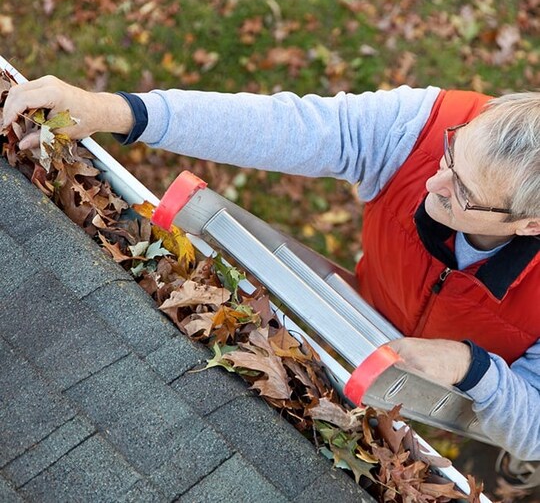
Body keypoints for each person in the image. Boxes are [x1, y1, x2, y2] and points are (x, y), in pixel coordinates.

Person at [3, 76, 540, 473]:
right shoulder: (427, 125)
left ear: (528, 224)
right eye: (452, 152)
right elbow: (289, 126)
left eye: (463, 193)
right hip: (364, 321)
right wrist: (117, 111)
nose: (434, 182)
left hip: (456, 393)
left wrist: (470, 368)